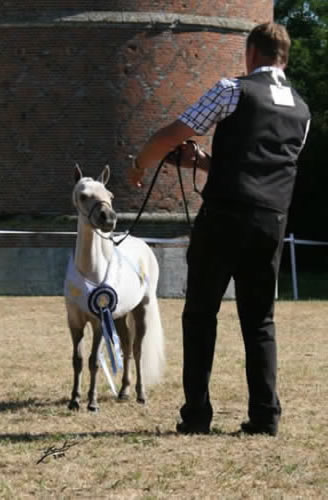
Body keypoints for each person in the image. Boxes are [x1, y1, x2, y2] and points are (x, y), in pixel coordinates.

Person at [129, 22, 311, 436]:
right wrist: (204, 163)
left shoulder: (233, 89)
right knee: (260, 320)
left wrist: (141, 163)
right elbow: (265, 164)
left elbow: (176, 131)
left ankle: (197, 415)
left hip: (224, 216)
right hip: (271, 222)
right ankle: (265, 417)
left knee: (200, 315)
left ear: (251, 54)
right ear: (284, 57)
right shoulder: (302, 110)